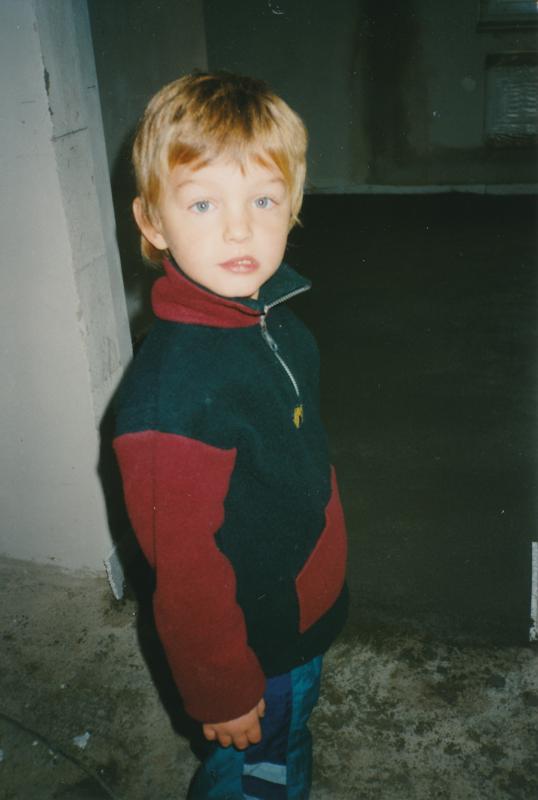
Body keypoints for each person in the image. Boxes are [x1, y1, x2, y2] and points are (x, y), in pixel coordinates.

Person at [113, 71, 348, 800]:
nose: (239, 229)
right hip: (253, 643)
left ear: (293, 207)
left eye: (264, 200)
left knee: (288, 740)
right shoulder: (173, 402)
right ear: (153, 223)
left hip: (292, 604)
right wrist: (221, 686)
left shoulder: (272, 318)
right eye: (203, 203)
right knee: (258, 774)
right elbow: (185, 574)